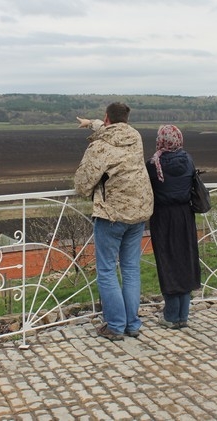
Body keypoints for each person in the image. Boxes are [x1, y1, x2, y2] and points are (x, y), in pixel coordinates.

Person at [74, 102, 154, 341]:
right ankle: (132, 324)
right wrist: (91, 124)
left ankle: (116, 326)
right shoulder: (135, 137)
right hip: (139, 212)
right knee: (130, 269)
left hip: (112, 215)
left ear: (106, 117)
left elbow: (82, 184)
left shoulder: (100, 147)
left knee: (107, 270)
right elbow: (112, 130)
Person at [146, 124, 201, 329]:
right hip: (185, 216)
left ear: (161, 140)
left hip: (163, 218)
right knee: (185, 260)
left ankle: (170, 316)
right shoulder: (188, 160)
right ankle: (182, 315)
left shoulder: (153, 164)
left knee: (167, 262)